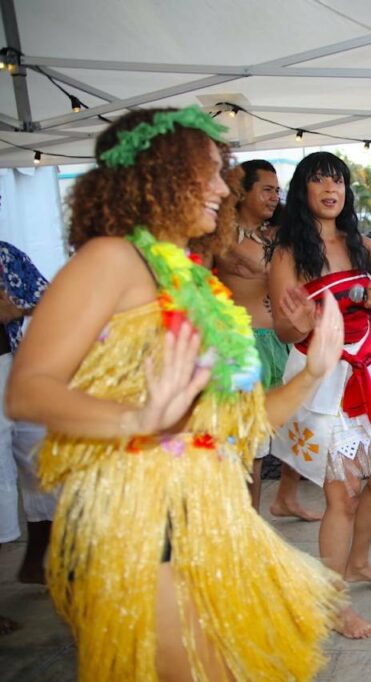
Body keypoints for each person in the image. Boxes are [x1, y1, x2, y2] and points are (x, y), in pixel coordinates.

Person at [8, 108, 346, 677]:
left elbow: (242, 420)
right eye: (207, 172)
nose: (223, 188)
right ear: (156, 173)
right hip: (142, 516)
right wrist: (138, 419)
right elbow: (27, 390)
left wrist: (312, 372)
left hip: (208, 512)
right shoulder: (111, 259)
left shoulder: (194, 280)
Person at [269, 150, 371, 640]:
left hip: (364, 371)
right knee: (344, 492)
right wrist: (302, 320)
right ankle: (333, 603)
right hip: (319, 378)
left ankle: (357, 563)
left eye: (337, 180)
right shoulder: (289, 252)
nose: (331, 189)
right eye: (319, 180)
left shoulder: (362, 244)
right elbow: (283, 329)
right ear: (303, 191)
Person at [216, 158, 322, 515]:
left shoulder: (279, 236)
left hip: (284, 340)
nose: (275, 196)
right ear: (241, 192)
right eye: (266, 189)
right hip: (243, 345)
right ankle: (249, 521)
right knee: (252, 445)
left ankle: (286, 498)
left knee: (300, 424)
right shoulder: (217, 236)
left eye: (277, 190)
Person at [0, 240, 55, 592]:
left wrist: (15, 309)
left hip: (15, 368)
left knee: (44, 465)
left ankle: (33, 564)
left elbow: (48, 297)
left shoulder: (6, 253)